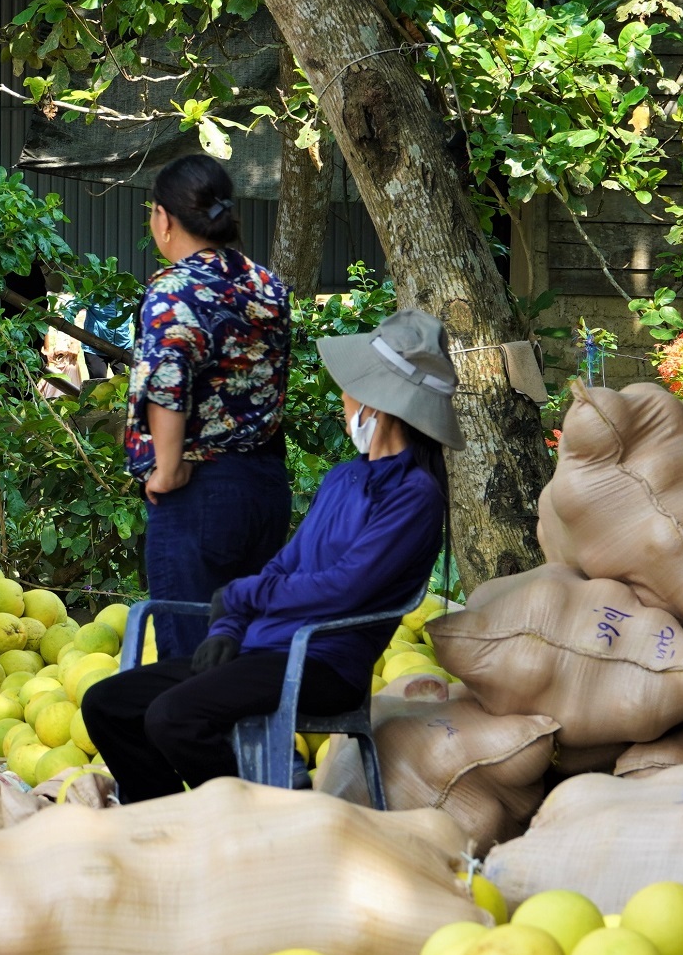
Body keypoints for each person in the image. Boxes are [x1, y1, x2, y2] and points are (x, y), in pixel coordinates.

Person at [82, 309, 459, 803]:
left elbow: (347, 587)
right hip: (265, 647)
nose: (343, 401)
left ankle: (268, 815)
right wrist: (227, 628)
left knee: (174, 717)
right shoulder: (344, 477)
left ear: (377, 403)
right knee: (109, 703)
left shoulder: (415, 495)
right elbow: (286, 566)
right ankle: (168, 821)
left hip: (323, 662)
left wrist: (238, 593)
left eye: (350, 390)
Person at [125, 154, 292, 660]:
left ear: (165, 218)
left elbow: (167, 383)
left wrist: (168, 469)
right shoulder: (268, 286)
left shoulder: (173, 291)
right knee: (244, 653)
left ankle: (196, 742)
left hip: (200, 493)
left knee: (193, 664)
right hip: (265, 490)